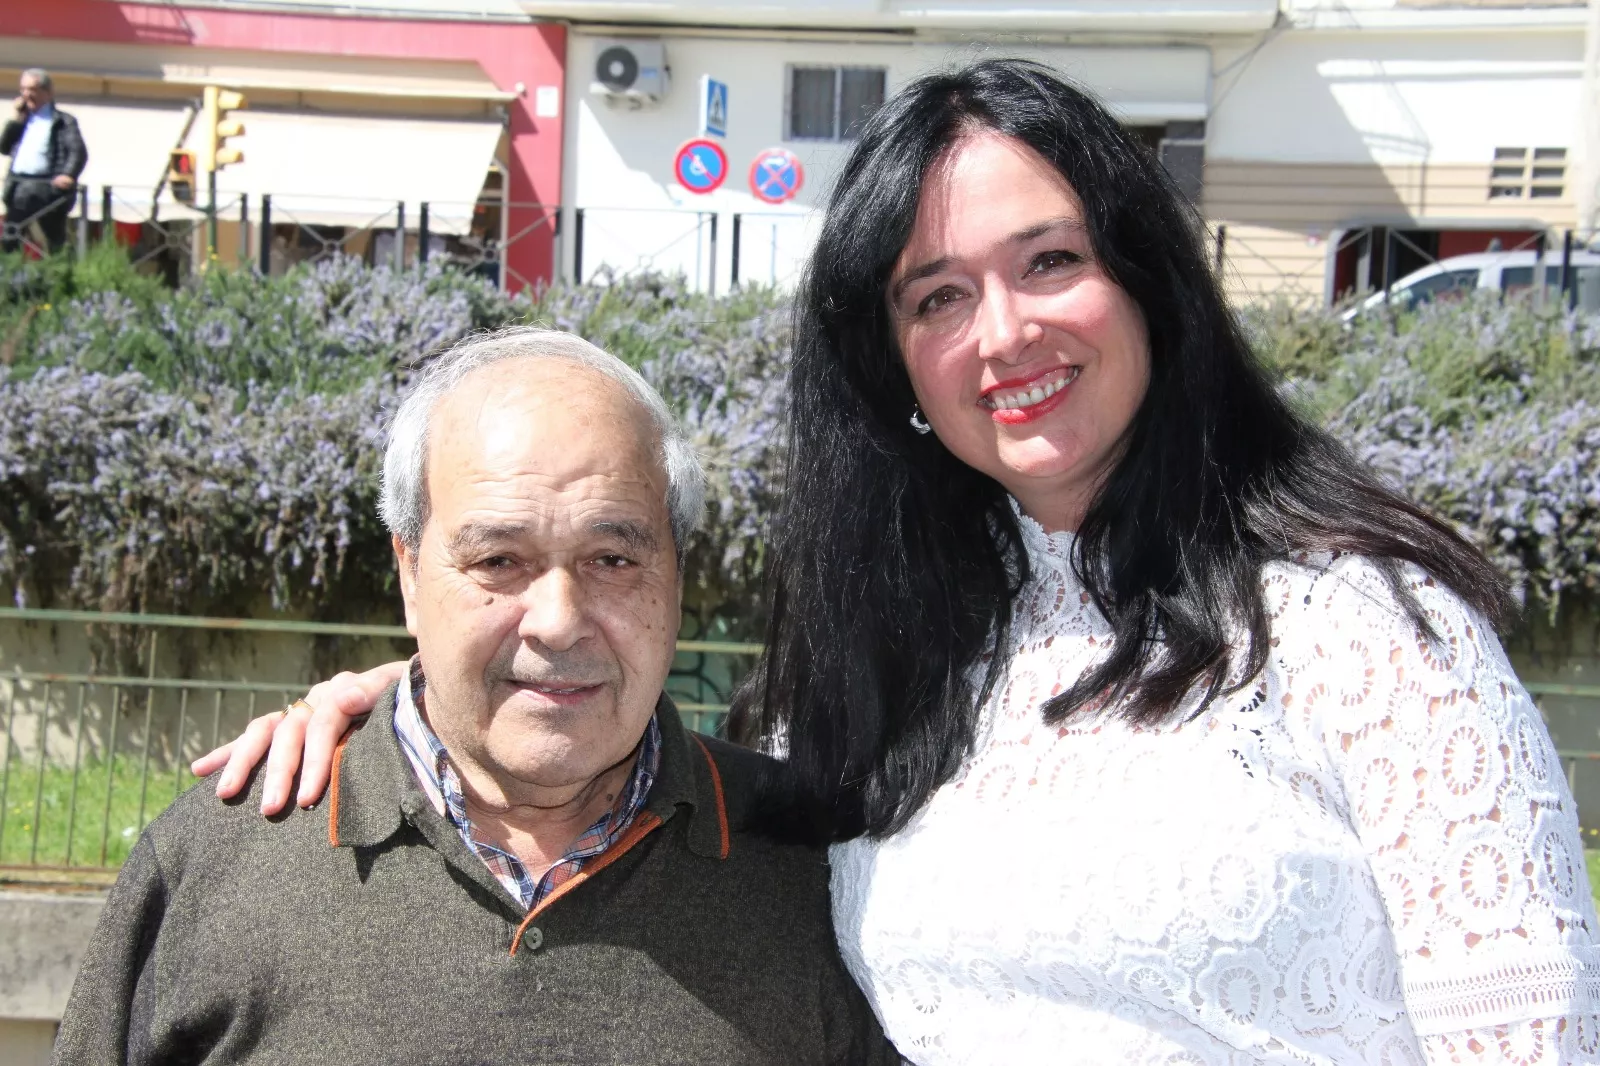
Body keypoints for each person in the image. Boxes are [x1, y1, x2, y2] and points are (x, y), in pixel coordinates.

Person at [199, 60, 1600, 1064]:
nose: (1004, 332)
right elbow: (682, 772)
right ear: (898, 368)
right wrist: (430, 697)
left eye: (1049, 261)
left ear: (1149, 282)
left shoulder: (1372, 632)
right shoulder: (899, 657)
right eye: (938, 295)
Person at [58, 329, 895, 1065]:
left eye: (612, 558)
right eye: (499, 561)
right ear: (409, 577)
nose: (560, 623)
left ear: (678, 573)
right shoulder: (215, 861)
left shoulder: (817, 869)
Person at [1, 69, 85, 255]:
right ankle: (10, 280)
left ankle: (58, 278)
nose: (26, 94)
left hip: (47, 188)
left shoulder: (63, 121)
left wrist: (68, 174)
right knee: (10, 239)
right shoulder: (22, 120)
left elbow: (77, 151)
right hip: (18, 186)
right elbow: (4, 147)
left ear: (47, 92)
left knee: (53, 241)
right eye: (23, 89)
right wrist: (16, 119)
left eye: (32, 89)